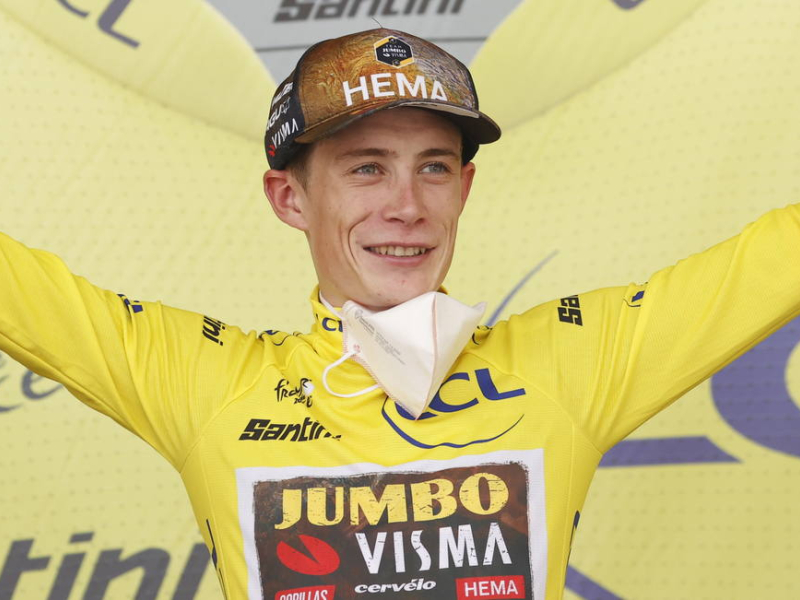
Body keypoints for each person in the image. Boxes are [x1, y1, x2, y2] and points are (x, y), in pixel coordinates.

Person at [0, 27, 798, 600]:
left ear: (464, 189)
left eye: (434, 169)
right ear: (290, 198)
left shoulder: (566, 366)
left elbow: (778, 256)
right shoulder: (210, 385)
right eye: (367, 169)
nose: (407, 206)